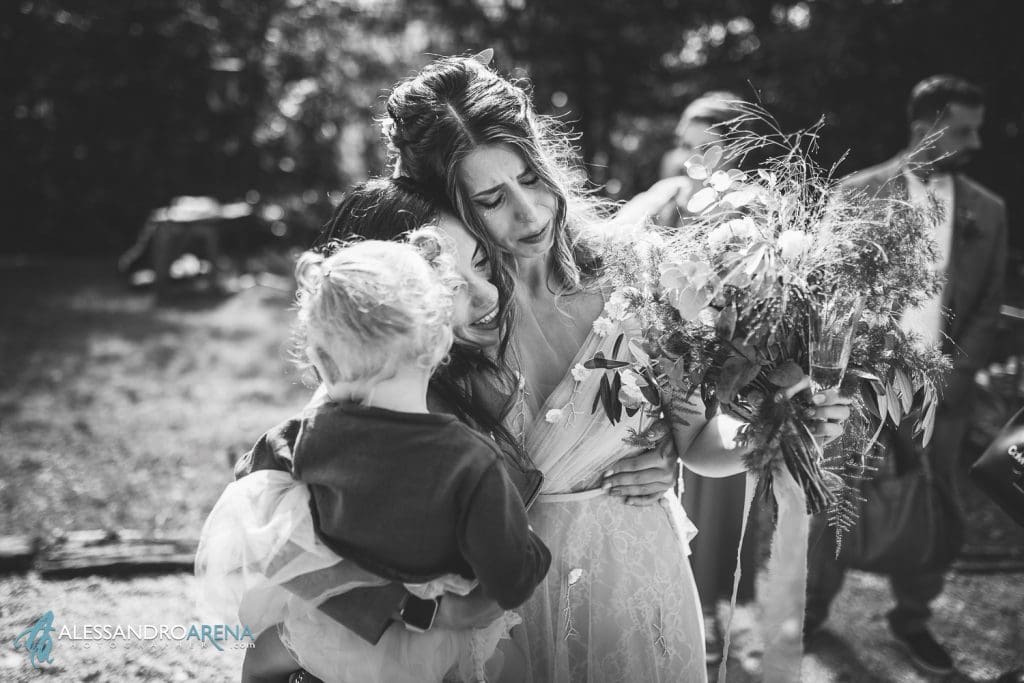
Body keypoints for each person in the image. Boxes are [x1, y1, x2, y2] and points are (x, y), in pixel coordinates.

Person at [382, 52, 852, 682]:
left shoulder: (637, 273)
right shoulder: (436, 320)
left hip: (632, 580)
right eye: (492, 199)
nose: (530, 212)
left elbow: (700, 445)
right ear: (445, 210)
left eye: (530, 177)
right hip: (497, 603)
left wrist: (777, 427)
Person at [199, 236, 551, 683]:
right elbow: (510, 579)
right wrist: (532, 548)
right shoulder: (471, 462)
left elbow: (252, 503)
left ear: (323, 361)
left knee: (258, 664)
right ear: (440, 342)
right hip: (440, 648)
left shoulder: (304, 439)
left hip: (335, 634)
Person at [805, 75, 1008, 676]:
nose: (976, 140)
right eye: (964, 129)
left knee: (940, 503)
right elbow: (826, 291)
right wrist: (848, 370)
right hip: (859, 384)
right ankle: (810, 616)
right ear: (927, 129)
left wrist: (951, 376)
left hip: (943, 391)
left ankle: (912, 622)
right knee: (834, 501)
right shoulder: (856, 193)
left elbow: (988, 304)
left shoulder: (988, 210)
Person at [616, 91, 742, 230]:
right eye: (686, 146)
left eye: (706, 149)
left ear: (731, 152)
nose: (693, 159)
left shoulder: (749, 206)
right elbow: (611, 231)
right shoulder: (667, 194)